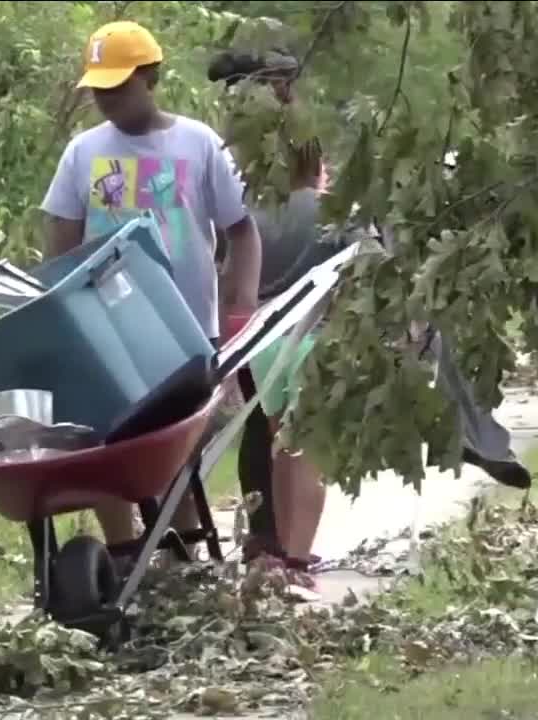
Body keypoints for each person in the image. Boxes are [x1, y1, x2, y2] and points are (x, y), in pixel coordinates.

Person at [40, 21, 263, 567]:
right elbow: (61, 243)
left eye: (118, 86)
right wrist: (59, 313)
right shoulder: (83, 152)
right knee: (106, 442)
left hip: (184, 329)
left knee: (173, 450)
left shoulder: (198, 142)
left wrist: (240, 310)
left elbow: (241, 231)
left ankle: (181, 554)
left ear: (152, 76)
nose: (106, 99)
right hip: (106, 325)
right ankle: (120, 551)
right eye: (98, 89)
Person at [209, 49, 331, 588]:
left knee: (272, 431)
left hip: (263, 305)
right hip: (271, 304)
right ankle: (277, 547)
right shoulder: (260, 137)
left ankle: (277, 548)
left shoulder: (254, 136)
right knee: (280, 435)